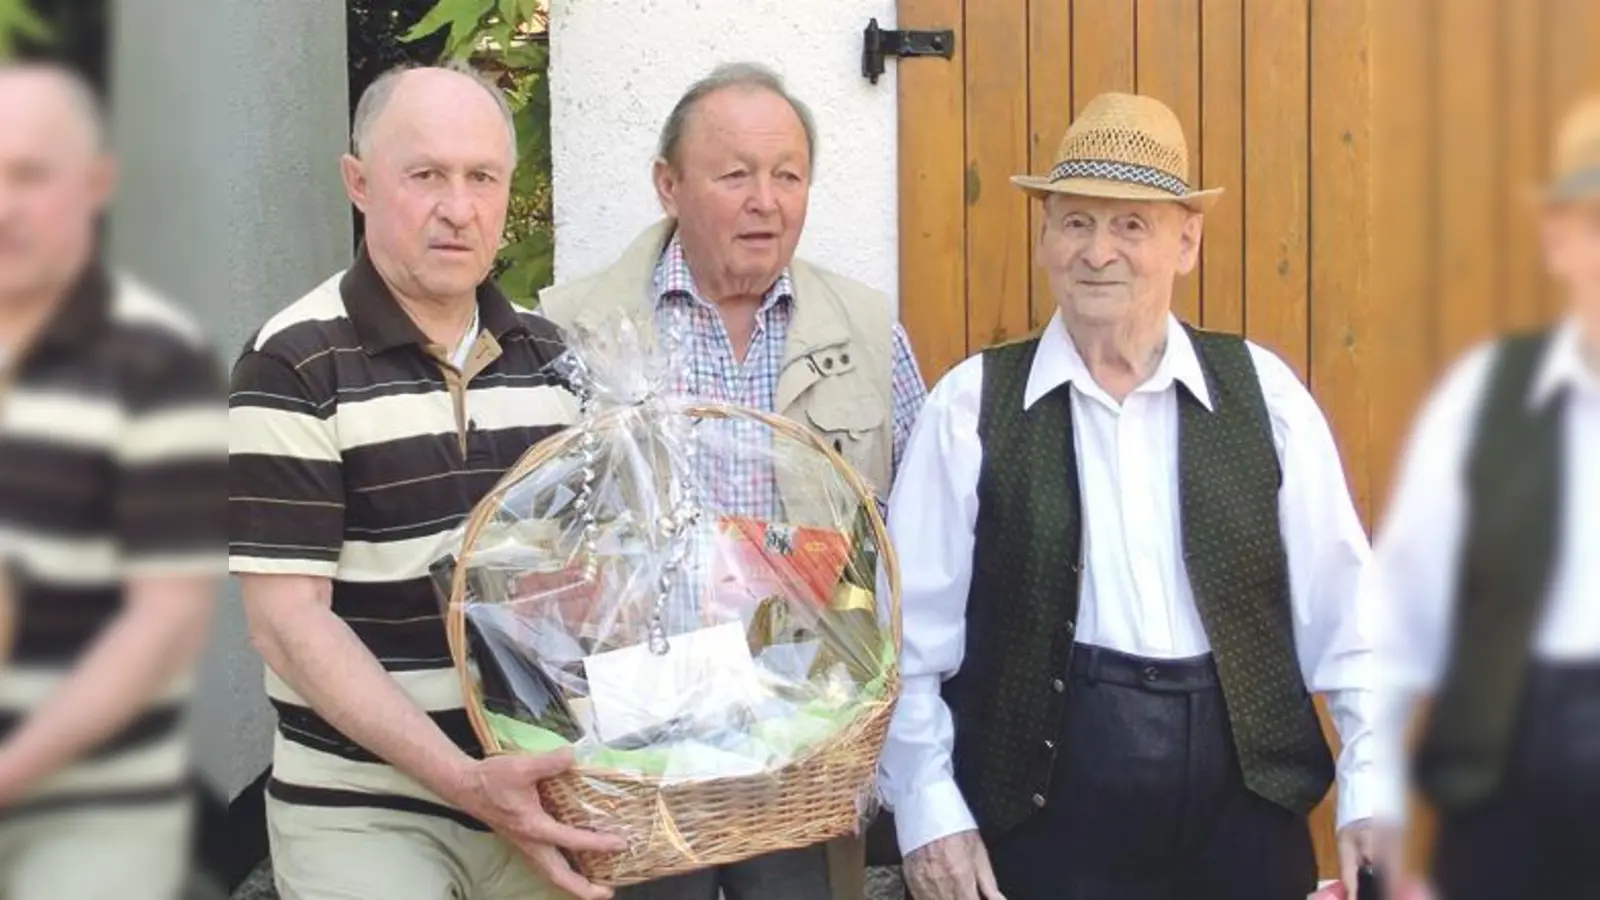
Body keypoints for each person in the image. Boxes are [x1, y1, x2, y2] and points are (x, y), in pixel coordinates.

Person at [876, 92, 1384, 900]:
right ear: (1044, 239)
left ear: (1188, 242)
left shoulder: (1266, 397)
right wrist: (930, 809)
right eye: (1076, 222)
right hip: (1043, 827)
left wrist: (1374, 787)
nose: (1098, 252)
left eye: (1131, 226)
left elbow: (1352, 622)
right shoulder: (969, 408)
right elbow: (901, 645)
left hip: (1241, 824)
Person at [228, 62, 626, 900]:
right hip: (362, 804)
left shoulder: (557, 362)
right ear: (359, 184)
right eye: (426, 176)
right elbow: (287, 627)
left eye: (482, 177)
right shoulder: (294, 361)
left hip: (535, 788)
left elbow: (597, 582)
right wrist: (463, 779)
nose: (458, 207)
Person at [538, 61, 928, 900]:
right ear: (668, 185)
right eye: (736, 174)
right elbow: (534, 547)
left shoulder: (865, 328)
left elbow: (916, 537)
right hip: (634, 754)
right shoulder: (574, 330)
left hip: (801, 751)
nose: (767, 199)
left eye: (788, 175)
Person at [0, 61, 225, 898]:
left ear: (95, 184)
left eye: (30, 176)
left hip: (91, 800)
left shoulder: (153, 361)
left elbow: (162, 623)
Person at [1371, 95, 1600, 899]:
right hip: (1502, 830)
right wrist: (1383, 831)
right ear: (1557, 238)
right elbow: (1396, 626)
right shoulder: (1482, 399)